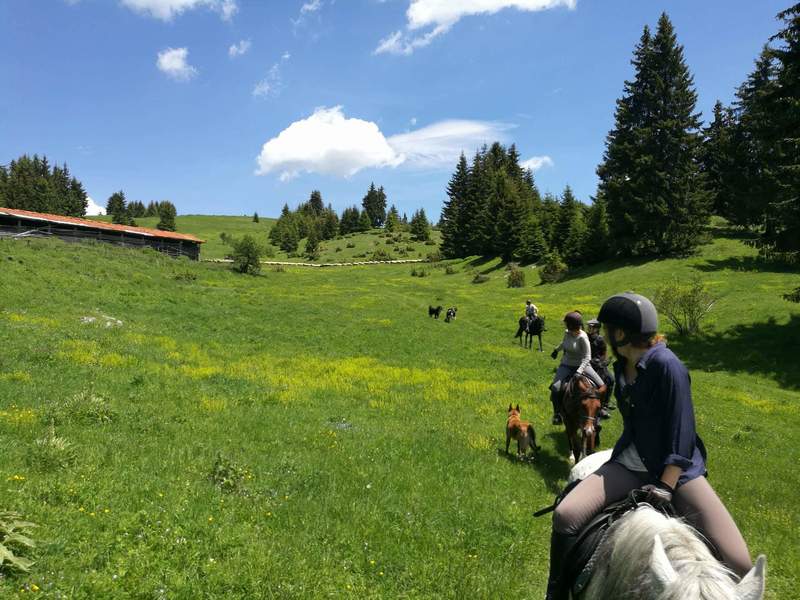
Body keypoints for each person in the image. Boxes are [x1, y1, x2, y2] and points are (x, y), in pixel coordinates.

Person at [544, 293, 753, 600]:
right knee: (566, 514)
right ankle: (556, 594)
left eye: (607, 329)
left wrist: (665, 486)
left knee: (740, 563)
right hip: (630, 463)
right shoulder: (621, 367)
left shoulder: (668, 366)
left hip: (676, 473)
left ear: (620, 333)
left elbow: (682, 431)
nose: (602, 334)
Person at [548, 311, 606, 425]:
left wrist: (579, 371)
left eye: (566, 324)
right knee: (555, 388)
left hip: (582, 365)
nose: (565, 326)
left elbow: (587, 357)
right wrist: (556, 350)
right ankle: (557, 414)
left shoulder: (583, 338)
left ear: (571, 325)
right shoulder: (567, 333)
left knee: (602, 385)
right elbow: (564, 343)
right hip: (566, 365)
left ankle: (600, 410)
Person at [586, 318, 615, 418]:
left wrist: (601, 361)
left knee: (610, 380)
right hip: (586, 363)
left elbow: (603, 353)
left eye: (591, 327)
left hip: (598, 364)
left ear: (597, 329)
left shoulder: (600, 340)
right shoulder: (585, 337)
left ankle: (604, 406)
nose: (589, 328)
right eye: (589, 327)